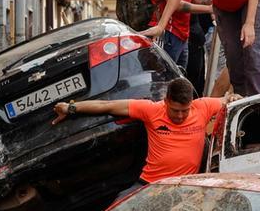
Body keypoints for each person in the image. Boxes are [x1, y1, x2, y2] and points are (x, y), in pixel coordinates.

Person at [51, 77, 233, 184]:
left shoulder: (203, 107)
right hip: (149, 185)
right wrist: (70, 108)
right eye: (175, 110)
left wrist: (235, 97)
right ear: (166, 100)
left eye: (184, 111)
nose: (179, 116)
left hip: (183, 187)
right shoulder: (151, 110)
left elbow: (232, 101)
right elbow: (107, 105)